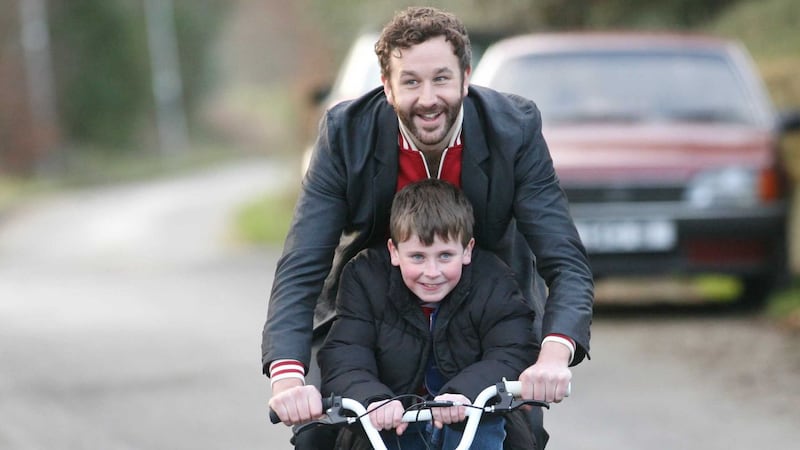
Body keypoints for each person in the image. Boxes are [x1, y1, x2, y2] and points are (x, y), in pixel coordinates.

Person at [263, 6, 593, 448]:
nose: (428, 98)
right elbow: (302, 264)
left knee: (521, 435)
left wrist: (553, 354)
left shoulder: (514, 129)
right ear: (386, 86)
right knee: (318, 436)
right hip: (374, 313)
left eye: (441, 78)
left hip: (487, 315)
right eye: (411, 81)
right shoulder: (345, 134)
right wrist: (287, 376)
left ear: (465, 76)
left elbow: (565, 260)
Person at [318, 179, 538, 449]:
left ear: (467, 250)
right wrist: (372, 399)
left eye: (445, 256)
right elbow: (346, 353)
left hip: (471, 420)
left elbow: (513, 349)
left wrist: (465, 393)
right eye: (418, 257)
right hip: (394, 423)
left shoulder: (493, 278)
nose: (432, 272)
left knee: (501, 433)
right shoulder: (365, 278)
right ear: (394, 252)